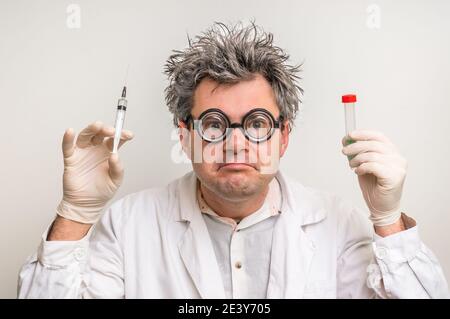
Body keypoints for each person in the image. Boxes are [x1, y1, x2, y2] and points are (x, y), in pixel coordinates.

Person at [18, 22, 448, 298]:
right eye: (214, 123)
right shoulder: (129, 227)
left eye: (257, 122)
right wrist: (75, 215)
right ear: (185, 137)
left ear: (284, 137)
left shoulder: (337, 223)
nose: (235, 143)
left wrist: (388, 222)